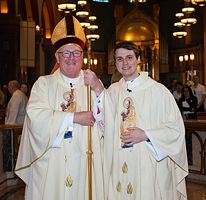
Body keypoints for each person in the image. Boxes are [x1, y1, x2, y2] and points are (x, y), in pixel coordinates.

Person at [15, 14, 107, 200]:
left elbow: (109, 122)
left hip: (86, 164)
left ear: (83, 55)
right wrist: (74, 118)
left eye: (76, 52)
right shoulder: (44, 84)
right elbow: (36, 118)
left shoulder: (93, 83)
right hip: (52, 166)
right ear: (57, 56)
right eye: (66, 52)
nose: (71, 58)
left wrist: (99, 91)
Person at [106, 41, 188, 200]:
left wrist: (147, 135)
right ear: (115, 63)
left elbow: (176, 130)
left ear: (138, 60)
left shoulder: (159, 91)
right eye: (119, 59)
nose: (124, 63)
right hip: (118, 161)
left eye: (129, 58)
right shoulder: (112, 92)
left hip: (149, 164)